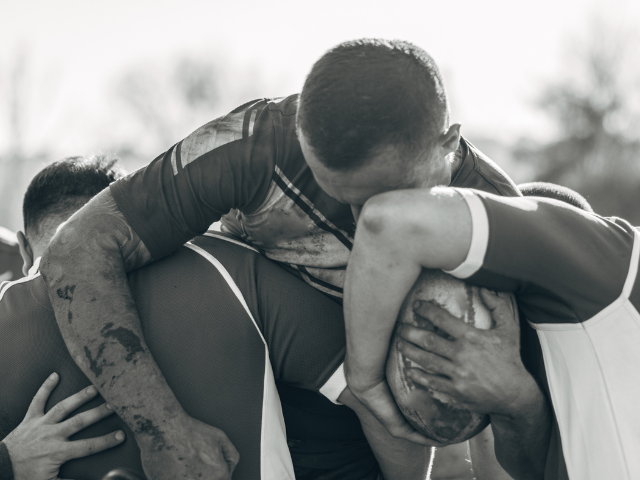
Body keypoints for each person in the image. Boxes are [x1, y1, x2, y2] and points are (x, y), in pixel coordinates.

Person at [39, 38, 523, 478]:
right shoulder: (256, 143)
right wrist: (162, 429)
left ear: (448, 143)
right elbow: (74, 251)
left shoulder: (496, 212)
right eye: (337, 193)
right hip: (245, 368)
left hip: (378, 418)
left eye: (386, 198)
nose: (366, 224)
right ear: (303, 140)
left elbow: (513, 413)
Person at [0, 155, 429, 479]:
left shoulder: (5, 314)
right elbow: (386, 406)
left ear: (21, 247)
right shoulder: (237, 270)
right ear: (125, 215)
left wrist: (9, 461)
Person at [343, 184, 639, 480]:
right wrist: (515, 403)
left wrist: (363, 380)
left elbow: (389, 222)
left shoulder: (611, 271)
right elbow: (538, 470)